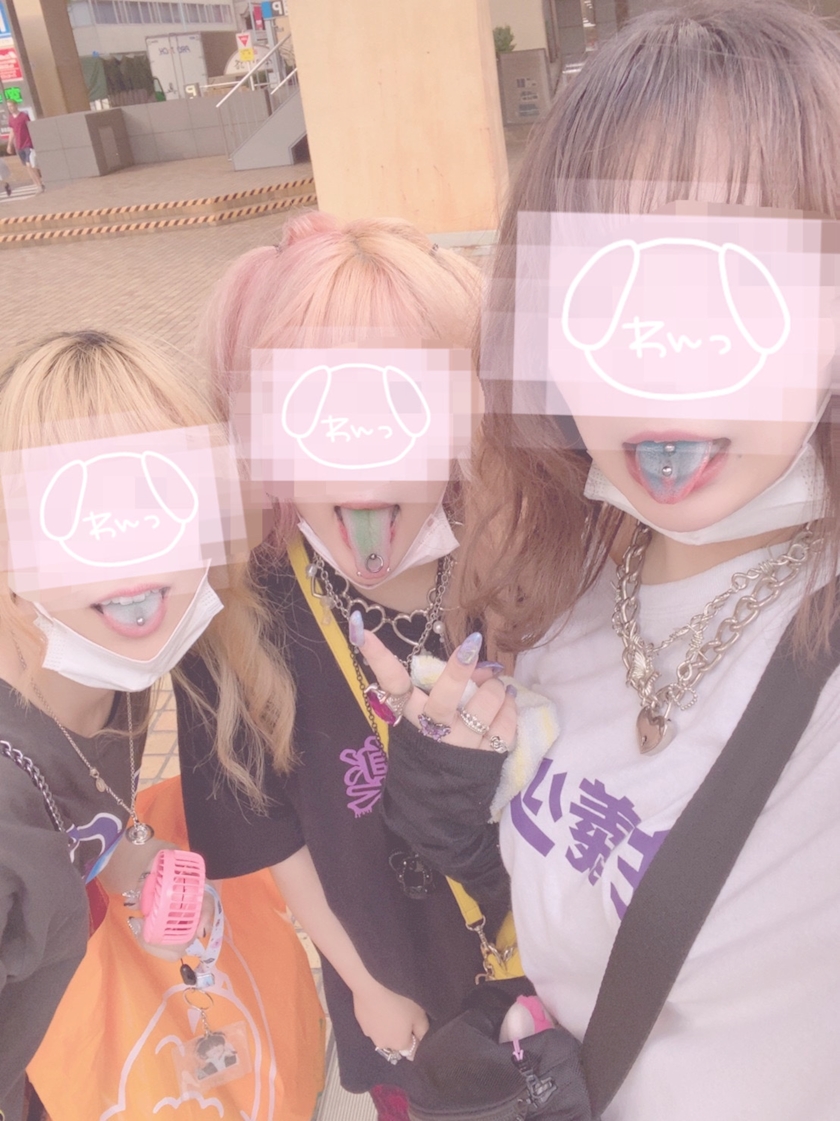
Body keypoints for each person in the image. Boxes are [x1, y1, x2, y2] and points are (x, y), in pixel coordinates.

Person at [364, 4, 840, 1119]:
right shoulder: (566, 573)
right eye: (606, 293)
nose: (663, 365)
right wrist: (452, 777)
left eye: (742, 284)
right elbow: (549, 890)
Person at [174, 212, 492, 1121]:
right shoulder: (240, 611)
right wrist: (362, 980)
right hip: (396, 983)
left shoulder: (514, 562)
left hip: (554, 960)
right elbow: (268, 830)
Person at [0, 330, 291, 1121]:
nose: (130, 556)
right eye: (79, 517)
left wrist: (125, 857)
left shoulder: (110, 663)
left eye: (161, 499)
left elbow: (76, 801)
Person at [5, 102, 42, 192]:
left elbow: (30, 127)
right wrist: (9, 144)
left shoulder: (24, 116)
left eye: (11, 106)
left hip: (28, 143)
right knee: (27, 166)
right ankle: (37, 184)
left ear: (16, 105)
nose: (10, 108)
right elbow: (12, 131)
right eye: (9, 106)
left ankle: (40, 184)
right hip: (19, 145)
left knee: (30, 164)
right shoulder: (11, 119)